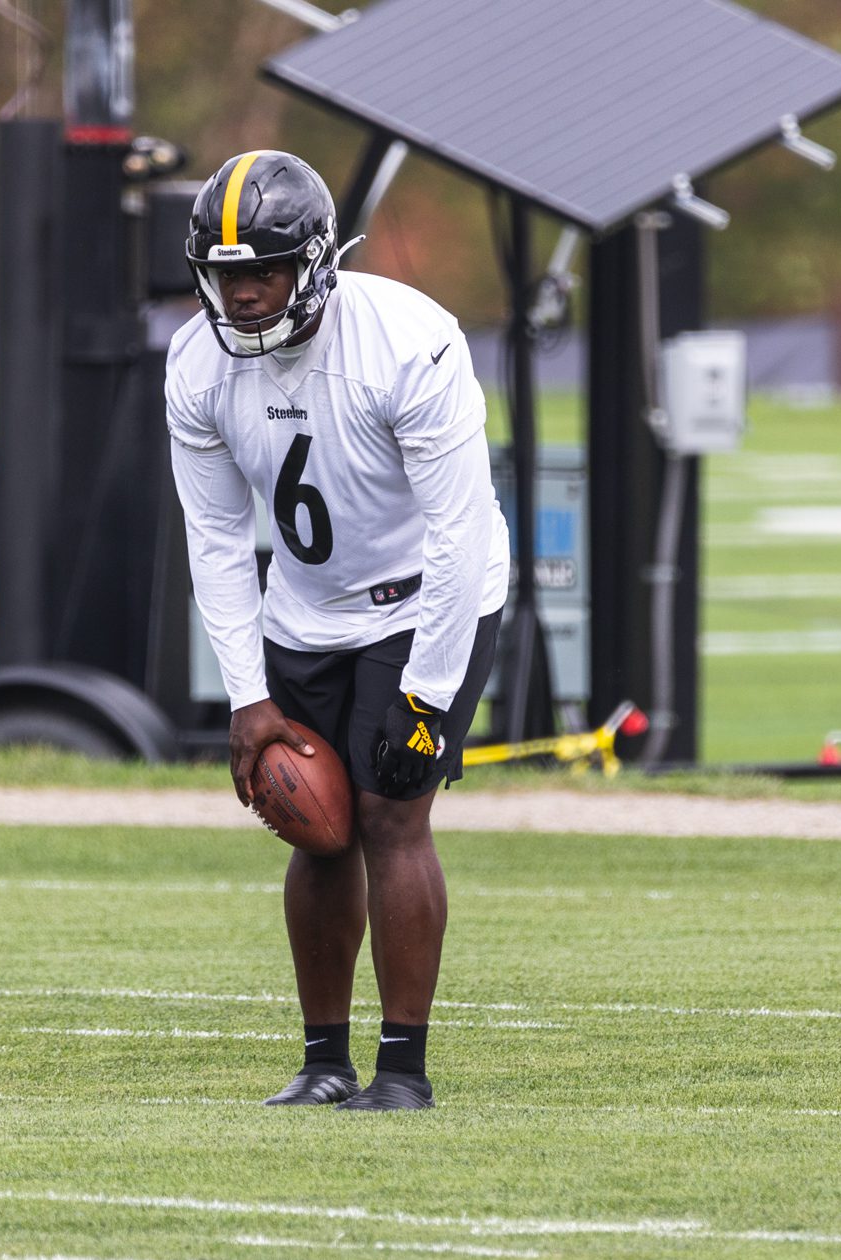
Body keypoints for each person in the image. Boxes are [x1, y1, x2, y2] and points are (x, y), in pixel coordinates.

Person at [167, 150, 509, 1110]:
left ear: (315, 261)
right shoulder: (194, 364)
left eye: (262, 270)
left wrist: (427, 695)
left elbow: (460, 529)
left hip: (428, 596)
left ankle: (403, 1070)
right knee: (315, 833)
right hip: (306, 604)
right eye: (225, 273)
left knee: (392, 809)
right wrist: (247, 697)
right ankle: (324, 1060)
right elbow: (219, 540)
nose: (240, 294)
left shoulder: (409, 338)